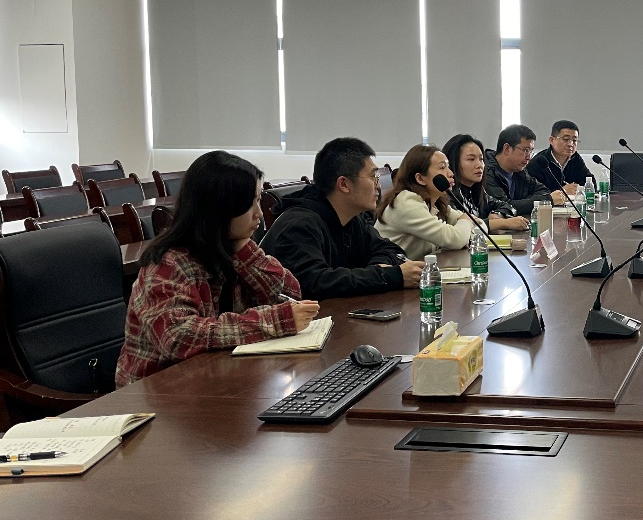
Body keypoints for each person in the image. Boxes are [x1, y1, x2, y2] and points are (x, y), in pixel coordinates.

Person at [116, 151, 321, 386]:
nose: (259, 214)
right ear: (221, 208)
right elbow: (178, 337)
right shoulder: (168, 263)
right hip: (158, 393)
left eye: (258, 200)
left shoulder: (233, 247)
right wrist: (274, 321)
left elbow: (290, 294)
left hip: (217, 378)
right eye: (250, 204)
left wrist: (246, 253)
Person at [262, 137, 426, 299]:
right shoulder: (299, 225)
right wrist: (387, 275)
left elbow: (391, 250)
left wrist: (377, 271)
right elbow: (315, 283)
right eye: (373, 177)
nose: (378, 185)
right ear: (344, 184)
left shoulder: (353, 218)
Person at [374, 144, 474, 260]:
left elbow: (479, 226)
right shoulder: (406, 202)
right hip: (392, 269)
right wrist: (465, 221)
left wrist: (465, 231)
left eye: (448, 167)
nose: (451, 173)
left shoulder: (434, 201)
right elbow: (455, 239)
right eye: (442, 167)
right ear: (420, 178)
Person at [441, 134, 530, 232]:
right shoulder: (446, 195)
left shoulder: (476, 191)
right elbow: (461, 227)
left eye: (481, 159)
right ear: (453, 162)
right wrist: (501, 223)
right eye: (471, 159)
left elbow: (507, 206)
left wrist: (497, 214)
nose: (479, 165)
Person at [483, 124, 567, 216]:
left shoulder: (519, 171)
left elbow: (543, 190)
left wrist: (523, 203)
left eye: (531, 151)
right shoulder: (486, 172)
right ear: (507, 149)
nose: (528, 157)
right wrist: (547, 200)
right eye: (525, 150)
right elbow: (504, 206)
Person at [526, 119, 594, 194]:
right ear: (552, 140)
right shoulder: (540, 162)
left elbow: (591, 183)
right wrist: (562, 191)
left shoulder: (575, 157)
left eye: (574, 140)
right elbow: (533, 193)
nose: (570, 144)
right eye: (566, 139)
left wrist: (580, 189)